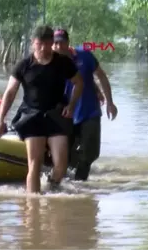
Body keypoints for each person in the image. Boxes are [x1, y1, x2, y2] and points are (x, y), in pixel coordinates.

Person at [0, 25, 84, 194]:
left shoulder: (63, 62)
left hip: (56, 115)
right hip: (31, 116)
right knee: (34, 164)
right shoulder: (24, 65)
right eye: (39, 44)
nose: (43, 48)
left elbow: (79, 82)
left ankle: (50, 185)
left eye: (48, 44)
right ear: (32, 43)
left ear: (52, 43)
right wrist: (0, 119)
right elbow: (10, 92)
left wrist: (71, 105)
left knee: (61, 166)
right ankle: (33, 206)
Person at [52, 29, 118, 181]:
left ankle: (80, 185)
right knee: (66, 156)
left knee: (90, 152)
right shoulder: (49, 61)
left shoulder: (84, 55)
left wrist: (109, 102)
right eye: (55, 43)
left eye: (61, 42)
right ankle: (67, 185)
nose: (58, 46)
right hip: (64, 114)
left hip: (89, 111)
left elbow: (100, 75)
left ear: (68, 43)